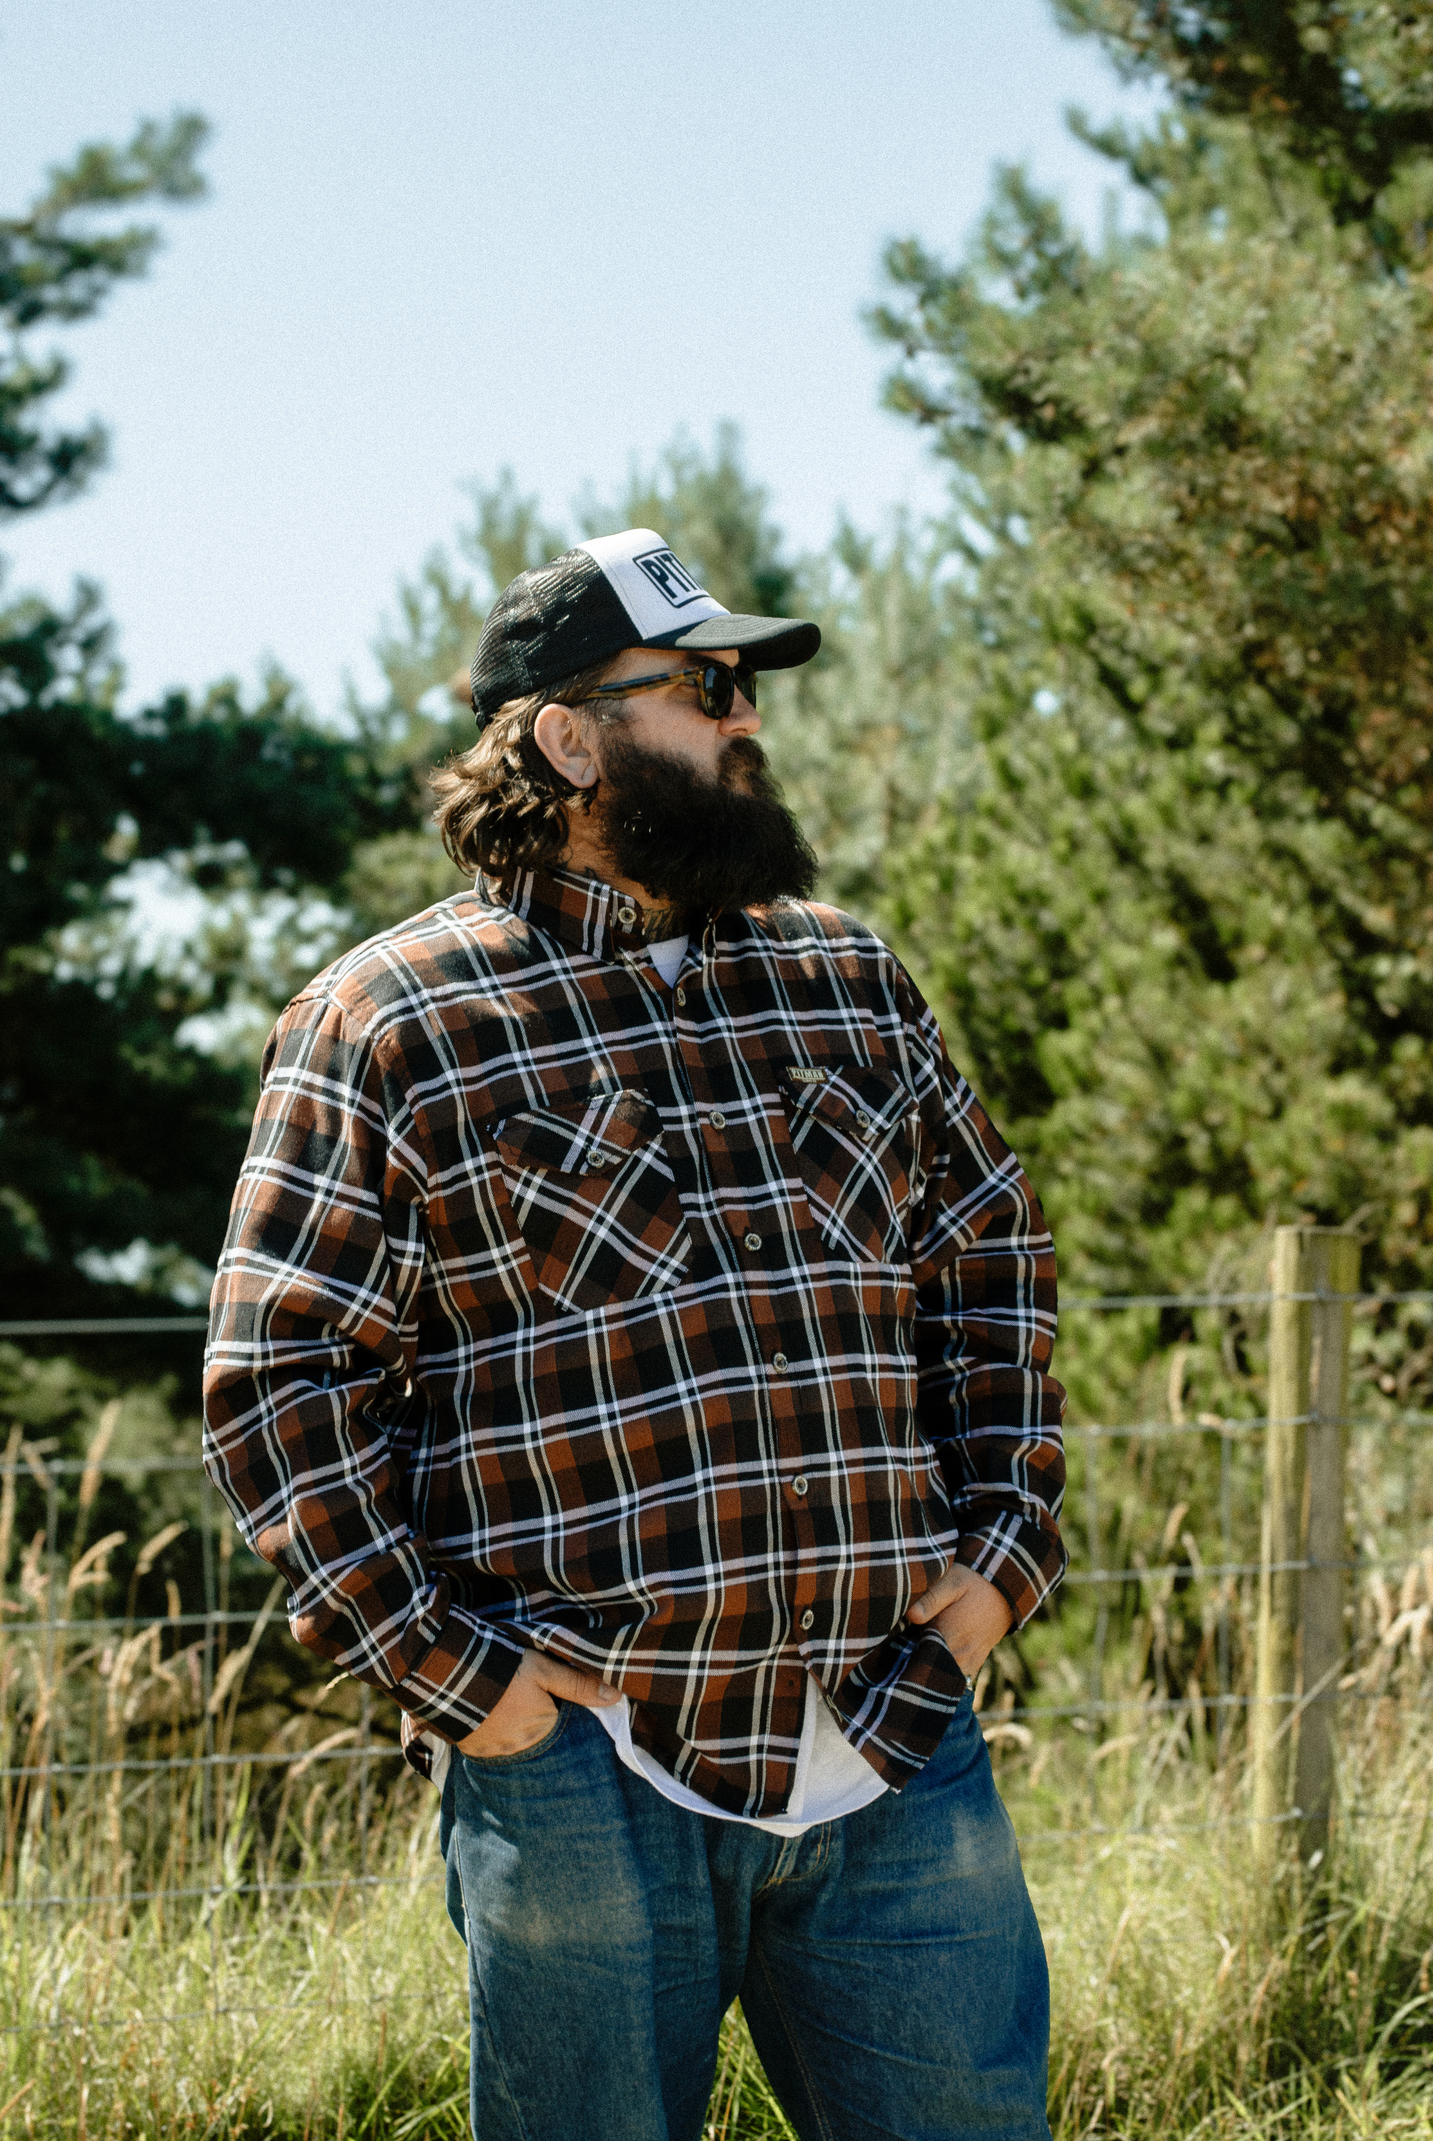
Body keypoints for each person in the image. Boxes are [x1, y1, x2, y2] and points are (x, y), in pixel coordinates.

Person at [203, 527, 1067, 2141]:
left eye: (749, 690)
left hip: (892, 1744)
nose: (748, 721)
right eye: (708, 686)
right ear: (568, 735)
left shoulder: (849, 981)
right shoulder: (391, 1021)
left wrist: (998, 1569)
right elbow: (280, 1395)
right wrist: (478, 1693)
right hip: (585, 1772)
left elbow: (990, 1261)